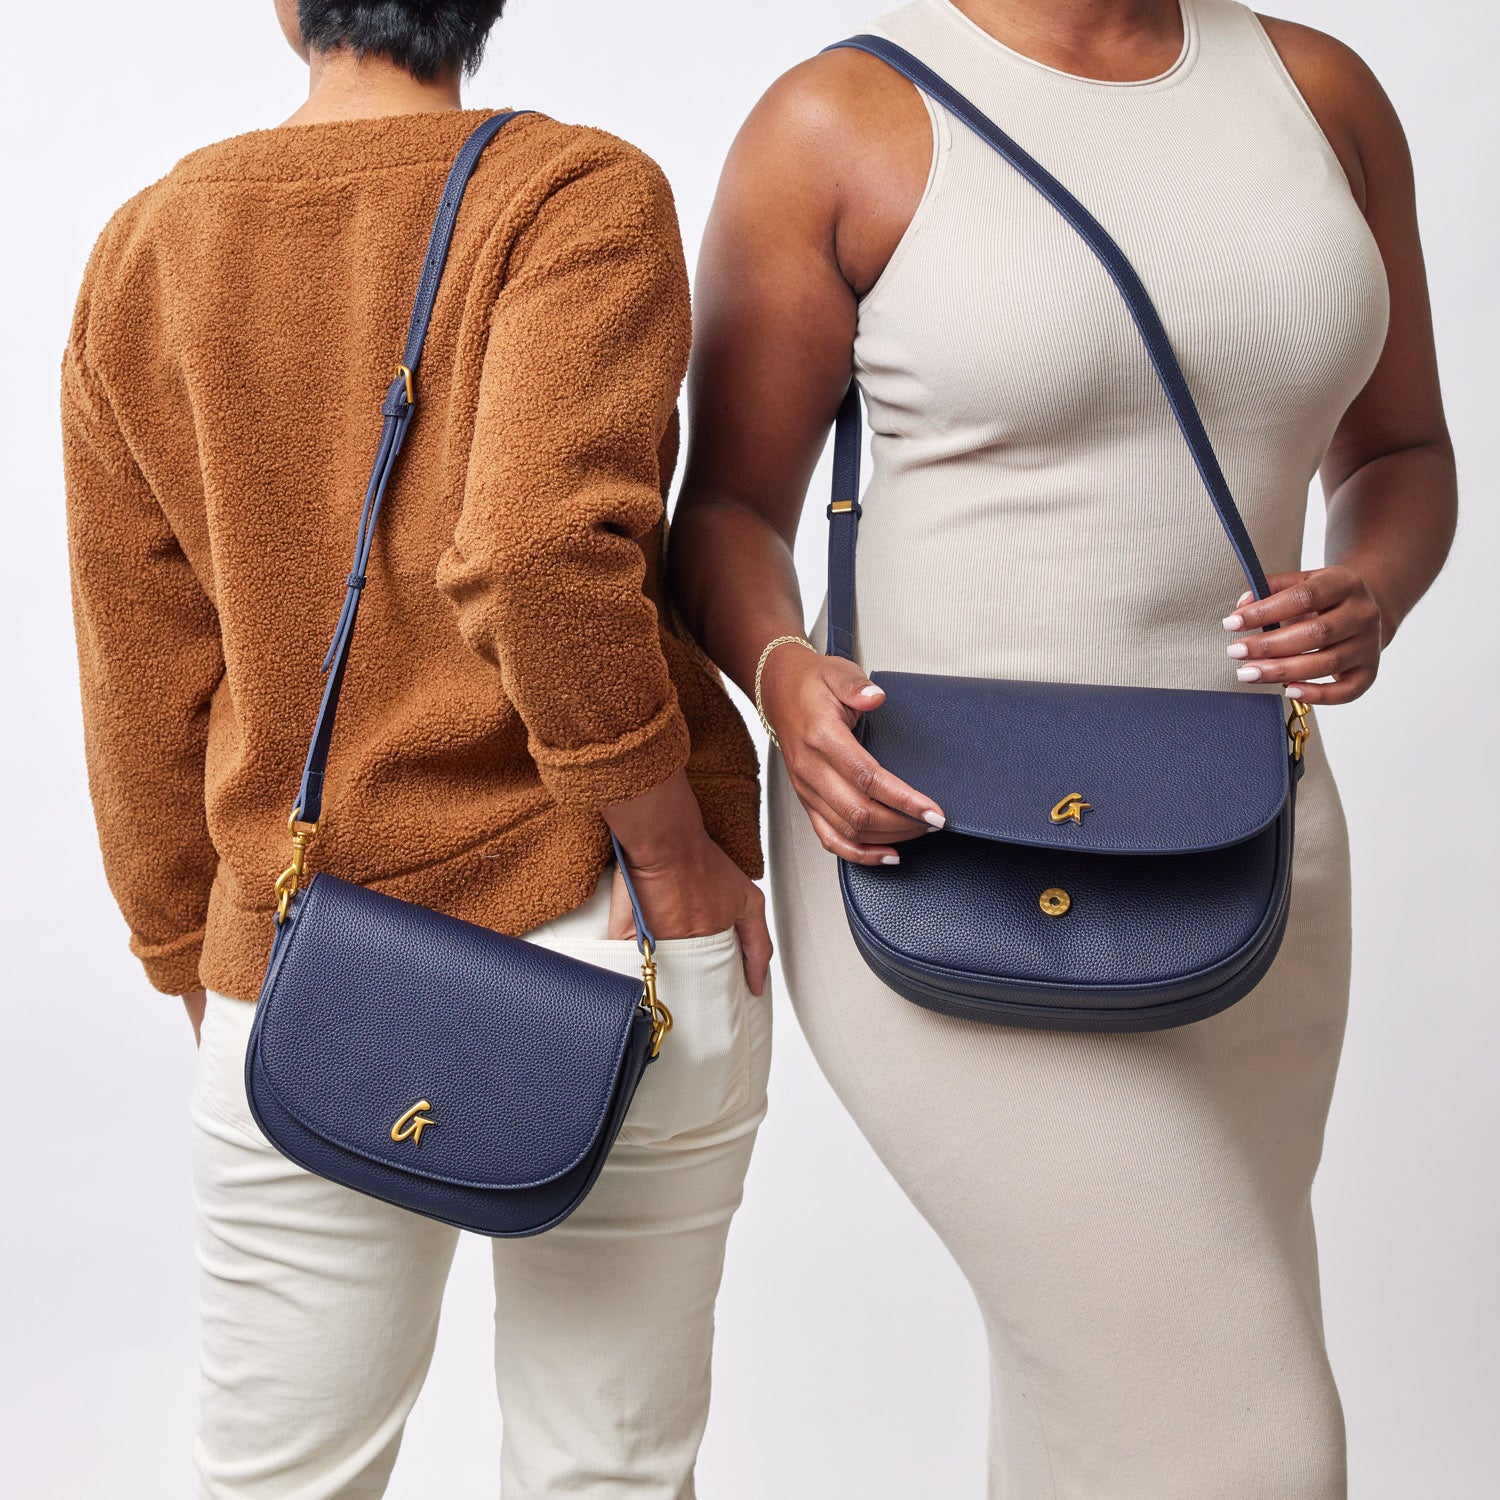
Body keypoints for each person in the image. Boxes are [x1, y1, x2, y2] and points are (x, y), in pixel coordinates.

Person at [670, 0, 1454, 1492]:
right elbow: (724, 516)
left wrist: (1375, 589)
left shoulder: (1320, 93)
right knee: (1245, 1432)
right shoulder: (841, 120)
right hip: (928, 834)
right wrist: (783, 675)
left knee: (1105, 1409)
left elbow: (1404, 455)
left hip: (1251, 836)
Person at [62, 2, 771, 1494]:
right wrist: (670, 843)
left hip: (300, 955)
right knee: (609, 1470)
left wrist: (190, 948)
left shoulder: (147, 248)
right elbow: (530, 550)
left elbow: (142, 672)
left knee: (281, 1477)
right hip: (611, 928)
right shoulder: (572, 195)